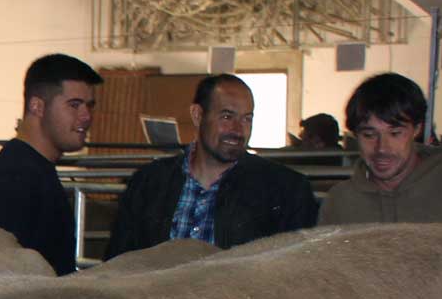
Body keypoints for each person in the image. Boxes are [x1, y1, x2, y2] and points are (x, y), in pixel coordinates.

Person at [103, 73, 315, 259]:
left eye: (247, 119)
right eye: (226, 116)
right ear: (197, 115)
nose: (238, 130)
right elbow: (118, 261)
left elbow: (294, 272)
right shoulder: (148, 183)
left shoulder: (285, 190)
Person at [0, 54, 99, 275]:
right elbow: (2, 277)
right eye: (74, 105)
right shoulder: (15, 177)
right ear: (37, 106)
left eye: (89, 106)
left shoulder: (33, 170)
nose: (86, 116)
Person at [320, 73, 442, 224]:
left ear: (417, 129)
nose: (382, 148)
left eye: (395, 134)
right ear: (355, 135)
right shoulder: (339, 202)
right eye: (369, 135)